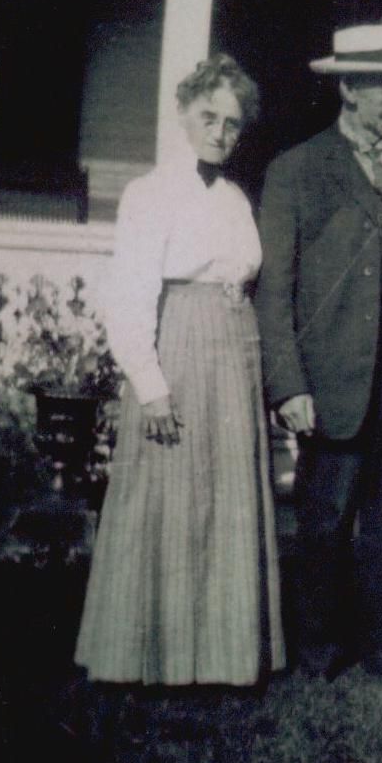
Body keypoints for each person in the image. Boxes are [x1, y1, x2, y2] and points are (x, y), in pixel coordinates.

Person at [255, 24, 382, 681]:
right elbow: (275, 289)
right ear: (348, 88)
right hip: (330, 376)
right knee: (325, 521)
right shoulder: (296, 170)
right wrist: (288, 384)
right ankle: (316, 655)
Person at [73, 53, 285, 686]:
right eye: (209, 117)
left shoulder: (236, 197)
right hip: (180, 346)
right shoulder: (150, 193)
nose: (220, 132)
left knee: (224, 498)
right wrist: (152, 388)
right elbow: (129, 297)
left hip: (234, 349)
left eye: (233, 122)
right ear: (184, 114)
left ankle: (222, 658)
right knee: (168, 495)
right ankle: (153, 656)